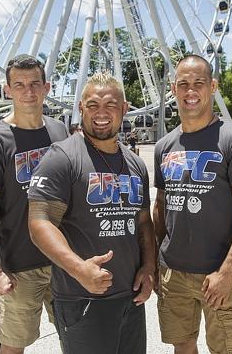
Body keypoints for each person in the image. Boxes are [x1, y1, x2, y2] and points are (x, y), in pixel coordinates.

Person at [27, 72, 155, 353]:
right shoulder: (61, 157)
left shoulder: (135, 163)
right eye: (93, 104)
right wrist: (78, 269)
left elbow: (144, 222)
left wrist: (148, 267)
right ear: (81, 108)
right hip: (81, 298)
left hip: (129, 298)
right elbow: (40, 221)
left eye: (110, 105)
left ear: (124, 109)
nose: (101, 113)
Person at [154, 54, 232, 354]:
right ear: (174, 90)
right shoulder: (164, 146)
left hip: (219, 274)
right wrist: (157, 261)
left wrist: (228, 271)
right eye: (184, 84)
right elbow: (161, 206)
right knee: (182, 345)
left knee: (227, 350)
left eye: (199, 83)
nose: (191, 91)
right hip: (173, 272)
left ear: (212, 86)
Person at [0, 54, 68, 353]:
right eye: (20, 85)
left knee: (75, 337)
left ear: (47, 87)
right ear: (8, 90)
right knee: (13, 345)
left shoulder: (59, 131)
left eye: (35, 84)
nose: (28, 91)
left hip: (62, 260)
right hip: (18, 265)